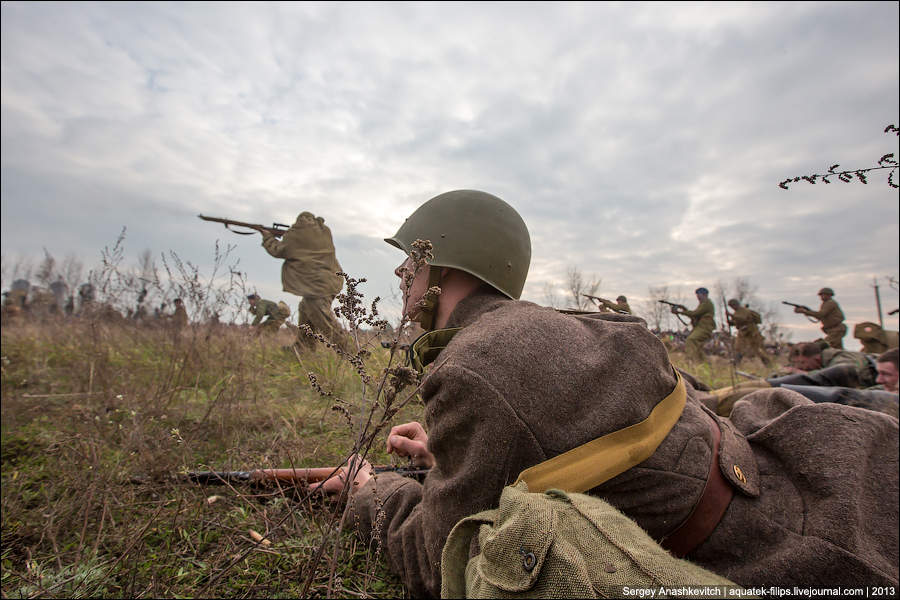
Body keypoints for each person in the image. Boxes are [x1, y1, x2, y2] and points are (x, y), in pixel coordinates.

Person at [313, 189, 897, 597]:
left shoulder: (472, 367)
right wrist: (448, 454)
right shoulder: (573, 325)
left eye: (407, 266)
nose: (401, 281)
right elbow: (573, 440)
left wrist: (373, 491)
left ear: (437, 263)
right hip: (808, 472)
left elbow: (440, 568)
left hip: (772, 555)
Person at [260, 212, 346, 349]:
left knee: (324, 321)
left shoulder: (294, 236)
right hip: (330, 282)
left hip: (316, 287)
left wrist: (267, 237)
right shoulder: (324, 232)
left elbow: (278, 250)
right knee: (306, 311)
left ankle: (353, 353)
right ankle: (302, 349)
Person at [672, 288, 715, 361]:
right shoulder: (703, 304)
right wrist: (683, 310)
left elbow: (695, 314)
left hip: (704, 327)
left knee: (691, 340)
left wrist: (680, 312)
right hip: (701, 327)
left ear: (704, 294)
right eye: (697, 295)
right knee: (697, 346)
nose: (697, 297)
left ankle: (691, 360)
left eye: (699, 295)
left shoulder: (706, 303)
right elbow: (695, 315)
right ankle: (702, 363)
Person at [726, 299, 771, 366]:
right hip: (743, 333)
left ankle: (768, 363)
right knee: (738, 348)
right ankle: (736, 363)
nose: (732, 308)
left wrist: (731, 315)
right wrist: (731, 323)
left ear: (735, 304)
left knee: (757, 349)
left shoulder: (744, 310)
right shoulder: (737, 312)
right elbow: (738, 322)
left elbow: (742, 319)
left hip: (752, 332)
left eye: (732, 306)